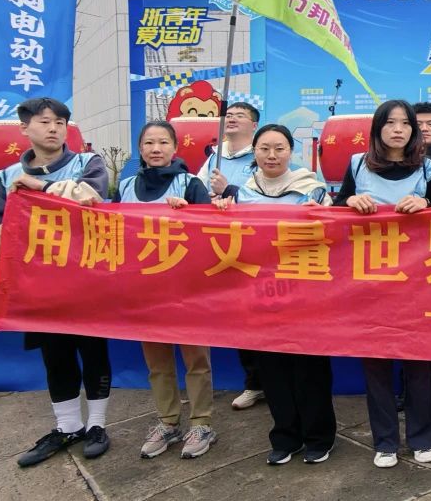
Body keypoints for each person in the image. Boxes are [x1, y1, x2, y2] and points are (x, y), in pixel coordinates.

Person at [0, 97, 112, 467]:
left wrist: (39, 188)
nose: (53, 128)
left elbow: (90, 199)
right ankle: (68, 427)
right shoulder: (5, 179)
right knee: (55, 356)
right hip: (39, 288)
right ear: (25, 128)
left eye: (60, 122)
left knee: (94, 352)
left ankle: (97, 425)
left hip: (87, 282)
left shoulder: (87, 164)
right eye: (45, 121)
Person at [218, 124, 337, 465]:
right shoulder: (239, 194)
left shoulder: (312, 190)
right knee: (272, 370)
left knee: (309, 368)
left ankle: (318, 437)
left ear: (291, 152)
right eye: (265, 148)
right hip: (261, 294)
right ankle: (285, 437)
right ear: (254, 152)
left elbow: (332, 235)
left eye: (280, 148)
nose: (272, 155)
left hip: (305, 293)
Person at [334, 100, 431, 468]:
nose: (398, 129)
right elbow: (336, 209)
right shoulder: (357, 164)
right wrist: (350, 199)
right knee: (376, 364)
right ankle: (384, 442)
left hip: (417, 280)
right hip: (371, 279)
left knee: (418, 364)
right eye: (390, 122)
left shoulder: (428, 168)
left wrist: (426, 201)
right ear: (377, 128)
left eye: (405, 123)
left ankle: (423, 438)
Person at [118, 121, 218, 459]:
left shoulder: (190, 185)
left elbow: (211, 235)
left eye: (163, 142)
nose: (156, 148)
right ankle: (168, 422)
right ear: (140, 148)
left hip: (186, 289)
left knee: (196, 360)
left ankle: (202, 423)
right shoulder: (126, 187)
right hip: (144, 289)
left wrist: (188, 215)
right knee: (157, 361)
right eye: (149, 142)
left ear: (175, 148)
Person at [192, 101, 267, 412]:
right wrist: (207, 196)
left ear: (254, 124)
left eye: (241, 116)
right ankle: (254, 383)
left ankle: (271, 380)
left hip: (258, 244)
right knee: (239, 316)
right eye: (229, 115)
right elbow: (196, 190)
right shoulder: (215, 156)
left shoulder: (262, 153)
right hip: (223, 244)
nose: (232, 119)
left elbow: (267, 195)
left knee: (263, 314)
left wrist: (230, 190)